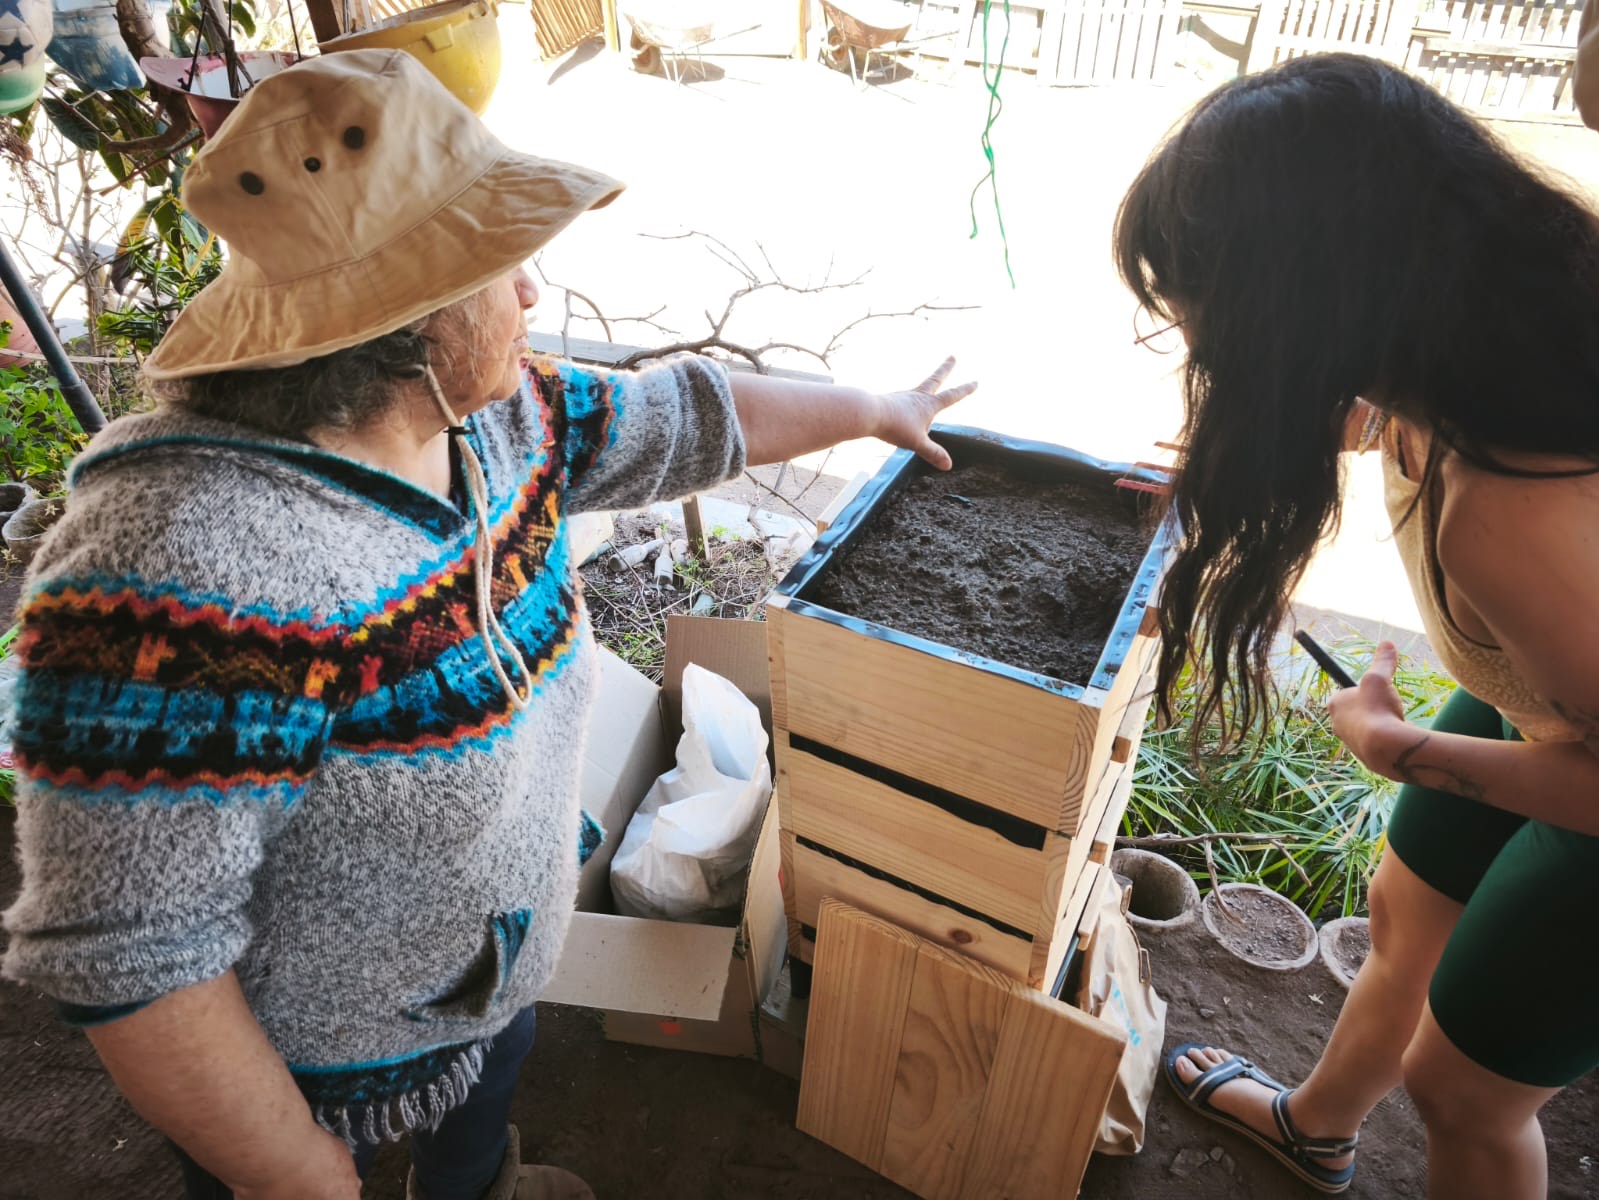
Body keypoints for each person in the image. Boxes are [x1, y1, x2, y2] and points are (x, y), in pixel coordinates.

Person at [0, 49, 974, 1200]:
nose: (532, 295)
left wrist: (874, 410)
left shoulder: (494, 422)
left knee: (478, 1132)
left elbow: (687, 414)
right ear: (401, 316)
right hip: (313, 1083)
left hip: (491, 982)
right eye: (502, 267)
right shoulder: (179, 579)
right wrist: (290, 1172)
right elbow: (132, 950)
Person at [1115, 52, 1599, 1200]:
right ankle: (1317, 1127)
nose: (1201, 355)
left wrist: (1403, 752)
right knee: (1402, 907)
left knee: (1465, 1095)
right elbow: (1358, 414)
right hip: (1552, 686)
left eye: (1214, 328)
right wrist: (1246, 446)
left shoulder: (1509, 516)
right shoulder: (1495, 330)